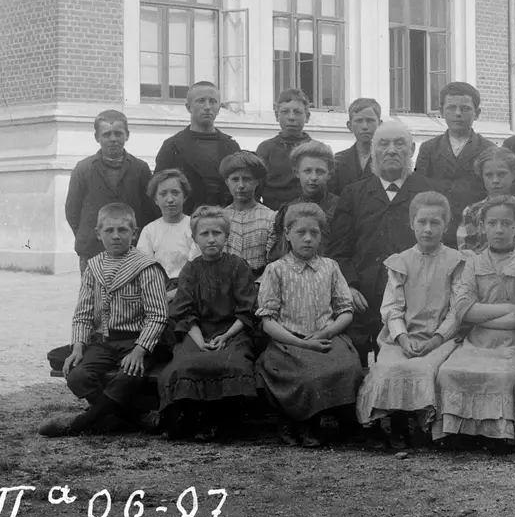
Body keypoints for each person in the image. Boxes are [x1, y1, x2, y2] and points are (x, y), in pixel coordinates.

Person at [38, 203, 169, 437]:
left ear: (134, 233)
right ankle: (134, 419)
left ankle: (79, 424)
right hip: (104, 341)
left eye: (122, 230)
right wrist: (78, 347)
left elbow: (157, 315)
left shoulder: (146, 267)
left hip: (137, 342)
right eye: (109, 230)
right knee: (77, 374)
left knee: (127, 376)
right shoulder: (94, 266)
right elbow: (83, 313)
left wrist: (140, 351)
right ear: (98, 234)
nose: (116, 236)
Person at [355, 192, 467, 450]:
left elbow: (457, 310)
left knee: (423, 369)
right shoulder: (400, 262)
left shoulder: (456, 262)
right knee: (388, 367)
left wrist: (436, 339)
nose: (428, 229)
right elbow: (392, 308)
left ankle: (425, 424)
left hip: (440, 338)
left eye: (435, 223)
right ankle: (398, 423)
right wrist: (403, 338)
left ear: (446, 226)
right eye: (422, 222)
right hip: (402, 337)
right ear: (412, 224)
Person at [254, 202, 366, 448]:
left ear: (321, 236)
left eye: (313, 233)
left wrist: (327, 331)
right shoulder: (276, 270)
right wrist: (299, 341)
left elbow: (345, 312)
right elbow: (268, 322)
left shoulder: (330, 267)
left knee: (349, 368)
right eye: (300, 233)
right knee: (307, 375)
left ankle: (341, 422)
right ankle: (301, 421)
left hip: (327, 337)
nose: (307, 239)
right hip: (289, 342)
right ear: (287, 235)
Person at [434, 196, 515, 453]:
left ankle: (498, 435)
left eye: (506, 223)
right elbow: (462, 311)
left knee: (506, 377)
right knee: (449, 372)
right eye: (493, 223)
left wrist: (483, 315)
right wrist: (508, 308)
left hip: (513, 346)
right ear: (483, 227)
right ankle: (457, 432)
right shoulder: (472, 263)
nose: (499, 229)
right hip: (476, 343)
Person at [328, 121, 435, 365]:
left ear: (412, 149)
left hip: (415, 300)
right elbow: (338, 251)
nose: (391, 150)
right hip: (363, 299)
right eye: (383, 144)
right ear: (373, 151)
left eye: (399, 144)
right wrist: (350, 287)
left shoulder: (428, 191)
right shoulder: (353, 193)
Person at [159, 206, 260, 441]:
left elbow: (247, 310)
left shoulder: (238, 266)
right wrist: (200, 341)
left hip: (233, 332)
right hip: (197, 332)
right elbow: (183, 311)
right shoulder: (191, 269)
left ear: (227, 237)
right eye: (204, 234)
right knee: (184, 364)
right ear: (195, 238)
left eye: (217, 233)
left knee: (231, 363)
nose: (211, 239)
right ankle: (190, 417)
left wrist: (225, 336)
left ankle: (220, 419)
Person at [64, 110, 156, 273]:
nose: (113, 139)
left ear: (127, 135)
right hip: (93, 248)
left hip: (131, 249)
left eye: (118, 133)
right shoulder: (83, 169)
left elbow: (149, 209)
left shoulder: (140, 168)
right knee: (93, 295)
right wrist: (90, 235)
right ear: (97, 137)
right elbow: (72, 211)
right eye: (106, 134)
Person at [413, 81, 496, 247]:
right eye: (451, 108)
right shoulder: (429, 148)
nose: (458, 113)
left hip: (474, 233)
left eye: (465, 109)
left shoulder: (488, 149)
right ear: (441, 112)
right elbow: (419, 190)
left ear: (477, 113)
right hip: (437, 232)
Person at [155, 81, 240, 214]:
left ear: (219, 107)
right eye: (201, 101)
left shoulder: (231, 147)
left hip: (223, 222)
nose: (207, 107)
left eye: (212, 101)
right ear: (189, 107)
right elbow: (158, 191)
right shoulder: (172, 146)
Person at [267, 140, 340, 264]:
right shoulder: (288, 210)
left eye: (320, 172)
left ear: (329, 174)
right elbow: (281, 254)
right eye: (307, 171)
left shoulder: (341, 207)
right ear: (297, 173)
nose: (313, 178)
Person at [137, 169, 200, 295]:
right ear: (155, 199)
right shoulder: (149, 230)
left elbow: (197, 268)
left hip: (190, 290)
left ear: (185, 196)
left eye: (175, 193)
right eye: (163, 194)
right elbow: (145, 269)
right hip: (158, 290)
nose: (170, 199)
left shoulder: (195, 226)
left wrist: (172, 295)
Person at [456, 147, 515, 253]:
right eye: (489, 175)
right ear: (482, 176)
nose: (495, 180)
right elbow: (466, 249)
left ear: (513, 175)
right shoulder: (471, 212)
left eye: (501, 174)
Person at [255, 89, 314, 211]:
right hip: (273, 215)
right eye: (285, 112)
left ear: (307, 117)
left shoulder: (315, 149)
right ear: (277, 116)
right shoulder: (266, 149)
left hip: (307, 216)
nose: (291, 117)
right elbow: (256, 190)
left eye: (297, 112)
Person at [219, 151, 276, 277]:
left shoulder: (270, 218)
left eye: (246, 179)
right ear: (227, 182)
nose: (240, 185)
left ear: (257, 181)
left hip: (258, 284)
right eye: (235, 179)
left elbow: (273, 263)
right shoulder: (220, 218)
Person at [329, 98, 382, 197]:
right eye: (359, 121)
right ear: (350, 126)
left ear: (380, 124)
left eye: (370, 121)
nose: (365, 126)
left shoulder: (386, 158)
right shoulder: (339, 160)